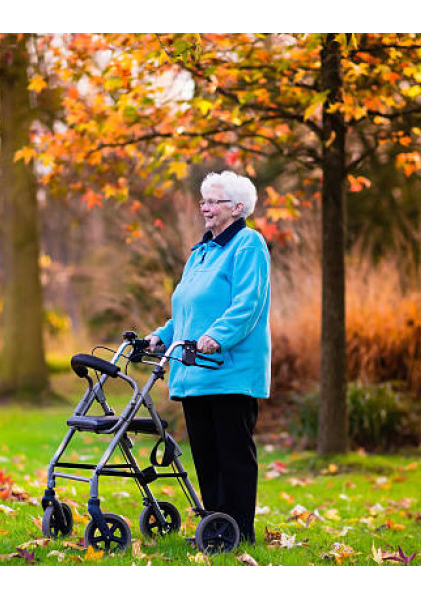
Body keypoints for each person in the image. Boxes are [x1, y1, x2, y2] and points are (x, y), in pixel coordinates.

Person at [146, 170, 271, 544]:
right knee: (206, 457)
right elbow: (186, 313)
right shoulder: (200, 253)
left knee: (233, 457)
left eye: (214, 201)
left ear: (238, 207)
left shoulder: (248, 245)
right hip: (194, 370)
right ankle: (216, 530)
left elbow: (248, 303)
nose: (205, 207)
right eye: (204, 201)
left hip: (230, 371)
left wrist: (217, 336)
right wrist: (161, 336)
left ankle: (239, 533)